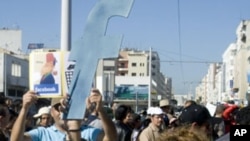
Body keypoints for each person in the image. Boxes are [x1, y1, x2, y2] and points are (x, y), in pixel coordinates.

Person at [10, 89, 117, 141]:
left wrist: (101, 110)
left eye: (68, 107)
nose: (63, 111)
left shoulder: (89, 132)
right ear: (51, 111)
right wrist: (24, 109)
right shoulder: (42, 133)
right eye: (58, 108)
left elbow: (112, 139)